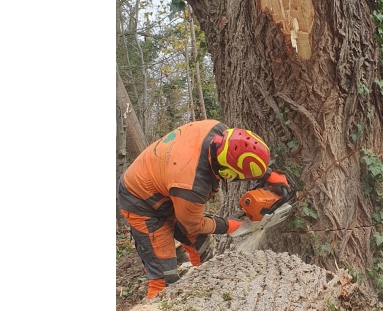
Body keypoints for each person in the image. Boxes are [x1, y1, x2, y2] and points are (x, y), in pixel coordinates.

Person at [117, 119, 289, 299]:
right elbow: (192, 225)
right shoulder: (192, 184)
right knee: (164, 278)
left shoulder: (218, 130)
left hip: (170, 187)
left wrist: (268, 174)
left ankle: (204, 297)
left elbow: (241, 151)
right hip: (141, 202)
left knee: (204, 252)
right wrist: (227, 225)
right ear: (227, 173)